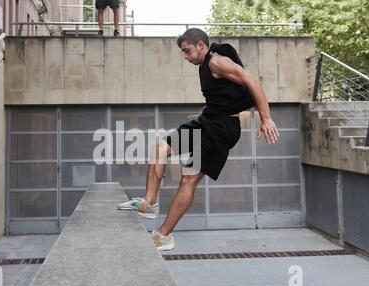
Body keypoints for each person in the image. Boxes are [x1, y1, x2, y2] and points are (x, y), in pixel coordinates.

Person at [118, 28, 280, 251]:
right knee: (161, 146)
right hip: (208, 121)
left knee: (189, 179)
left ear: (201, 46)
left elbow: (252, 81)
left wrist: (266, 118)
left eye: (187, 51)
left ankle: (163, 236)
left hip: (221, 129)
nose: (185, 57)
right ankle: (149, 203)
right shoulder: (206, 63)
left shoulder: (216, 62)